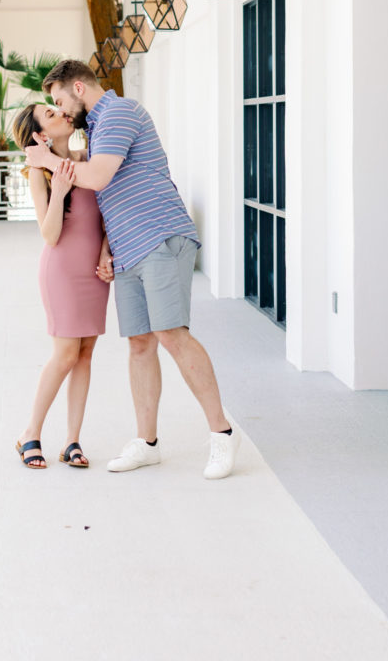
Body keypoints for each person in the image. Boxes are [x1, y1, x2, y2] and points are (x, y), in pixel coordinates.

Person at [24, 60, 240, 480]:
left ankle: (223, 433)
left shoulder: (119, 113)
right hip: (127, 250)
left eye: (59, 101)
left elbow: (100, 178)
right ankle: (147, 442)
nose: (62, 111)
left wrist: (48, 161)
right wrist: (107, 247)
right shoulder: (96, 129)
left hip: (159, 235)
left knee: (173, 335)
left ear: (80, 88)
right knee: (140, 344)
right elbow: (105, 198)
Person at [12, 101, 112, 470]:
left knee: (85, 354)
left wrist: (105, 253)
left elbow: (106, 217)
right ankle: (30, 433)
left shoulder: (90, 158)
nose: (61, 114)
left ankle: (72, 440)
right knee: (65, 354)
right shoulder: (39, 171)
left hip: (94, 273)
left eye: (58, 109)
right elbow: (50, 234)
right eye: (51, 115)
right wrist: (60, 188)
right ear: (40, 135)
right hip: (61, 272)